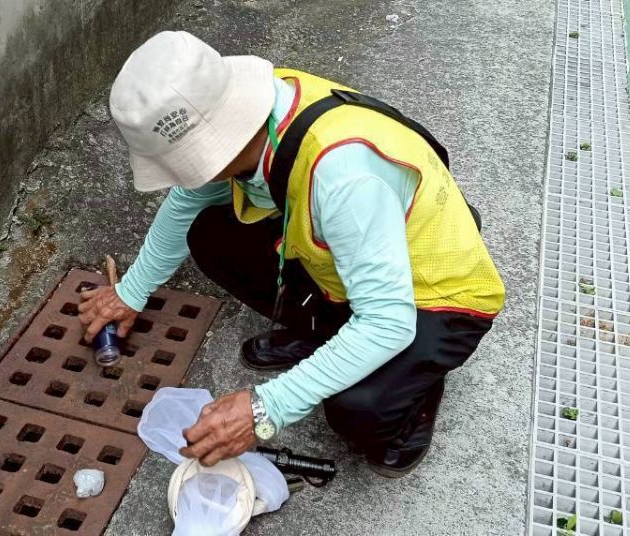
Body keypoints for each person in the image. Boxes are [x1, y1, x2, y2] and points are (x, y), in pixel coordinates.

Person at [78, 31, 505, 478]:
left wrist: (265, 409)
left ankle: (416, 388)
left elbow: (387, 320)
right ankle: (330, 332)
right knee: (210, 235)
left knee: (359, 413)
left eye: (180, 164)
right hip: (359, 255)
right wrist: (131, 292)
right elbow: (188, 202)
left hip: (436, 294)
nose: (177, 177)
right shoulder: (256, 107)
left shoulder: (343, 178)